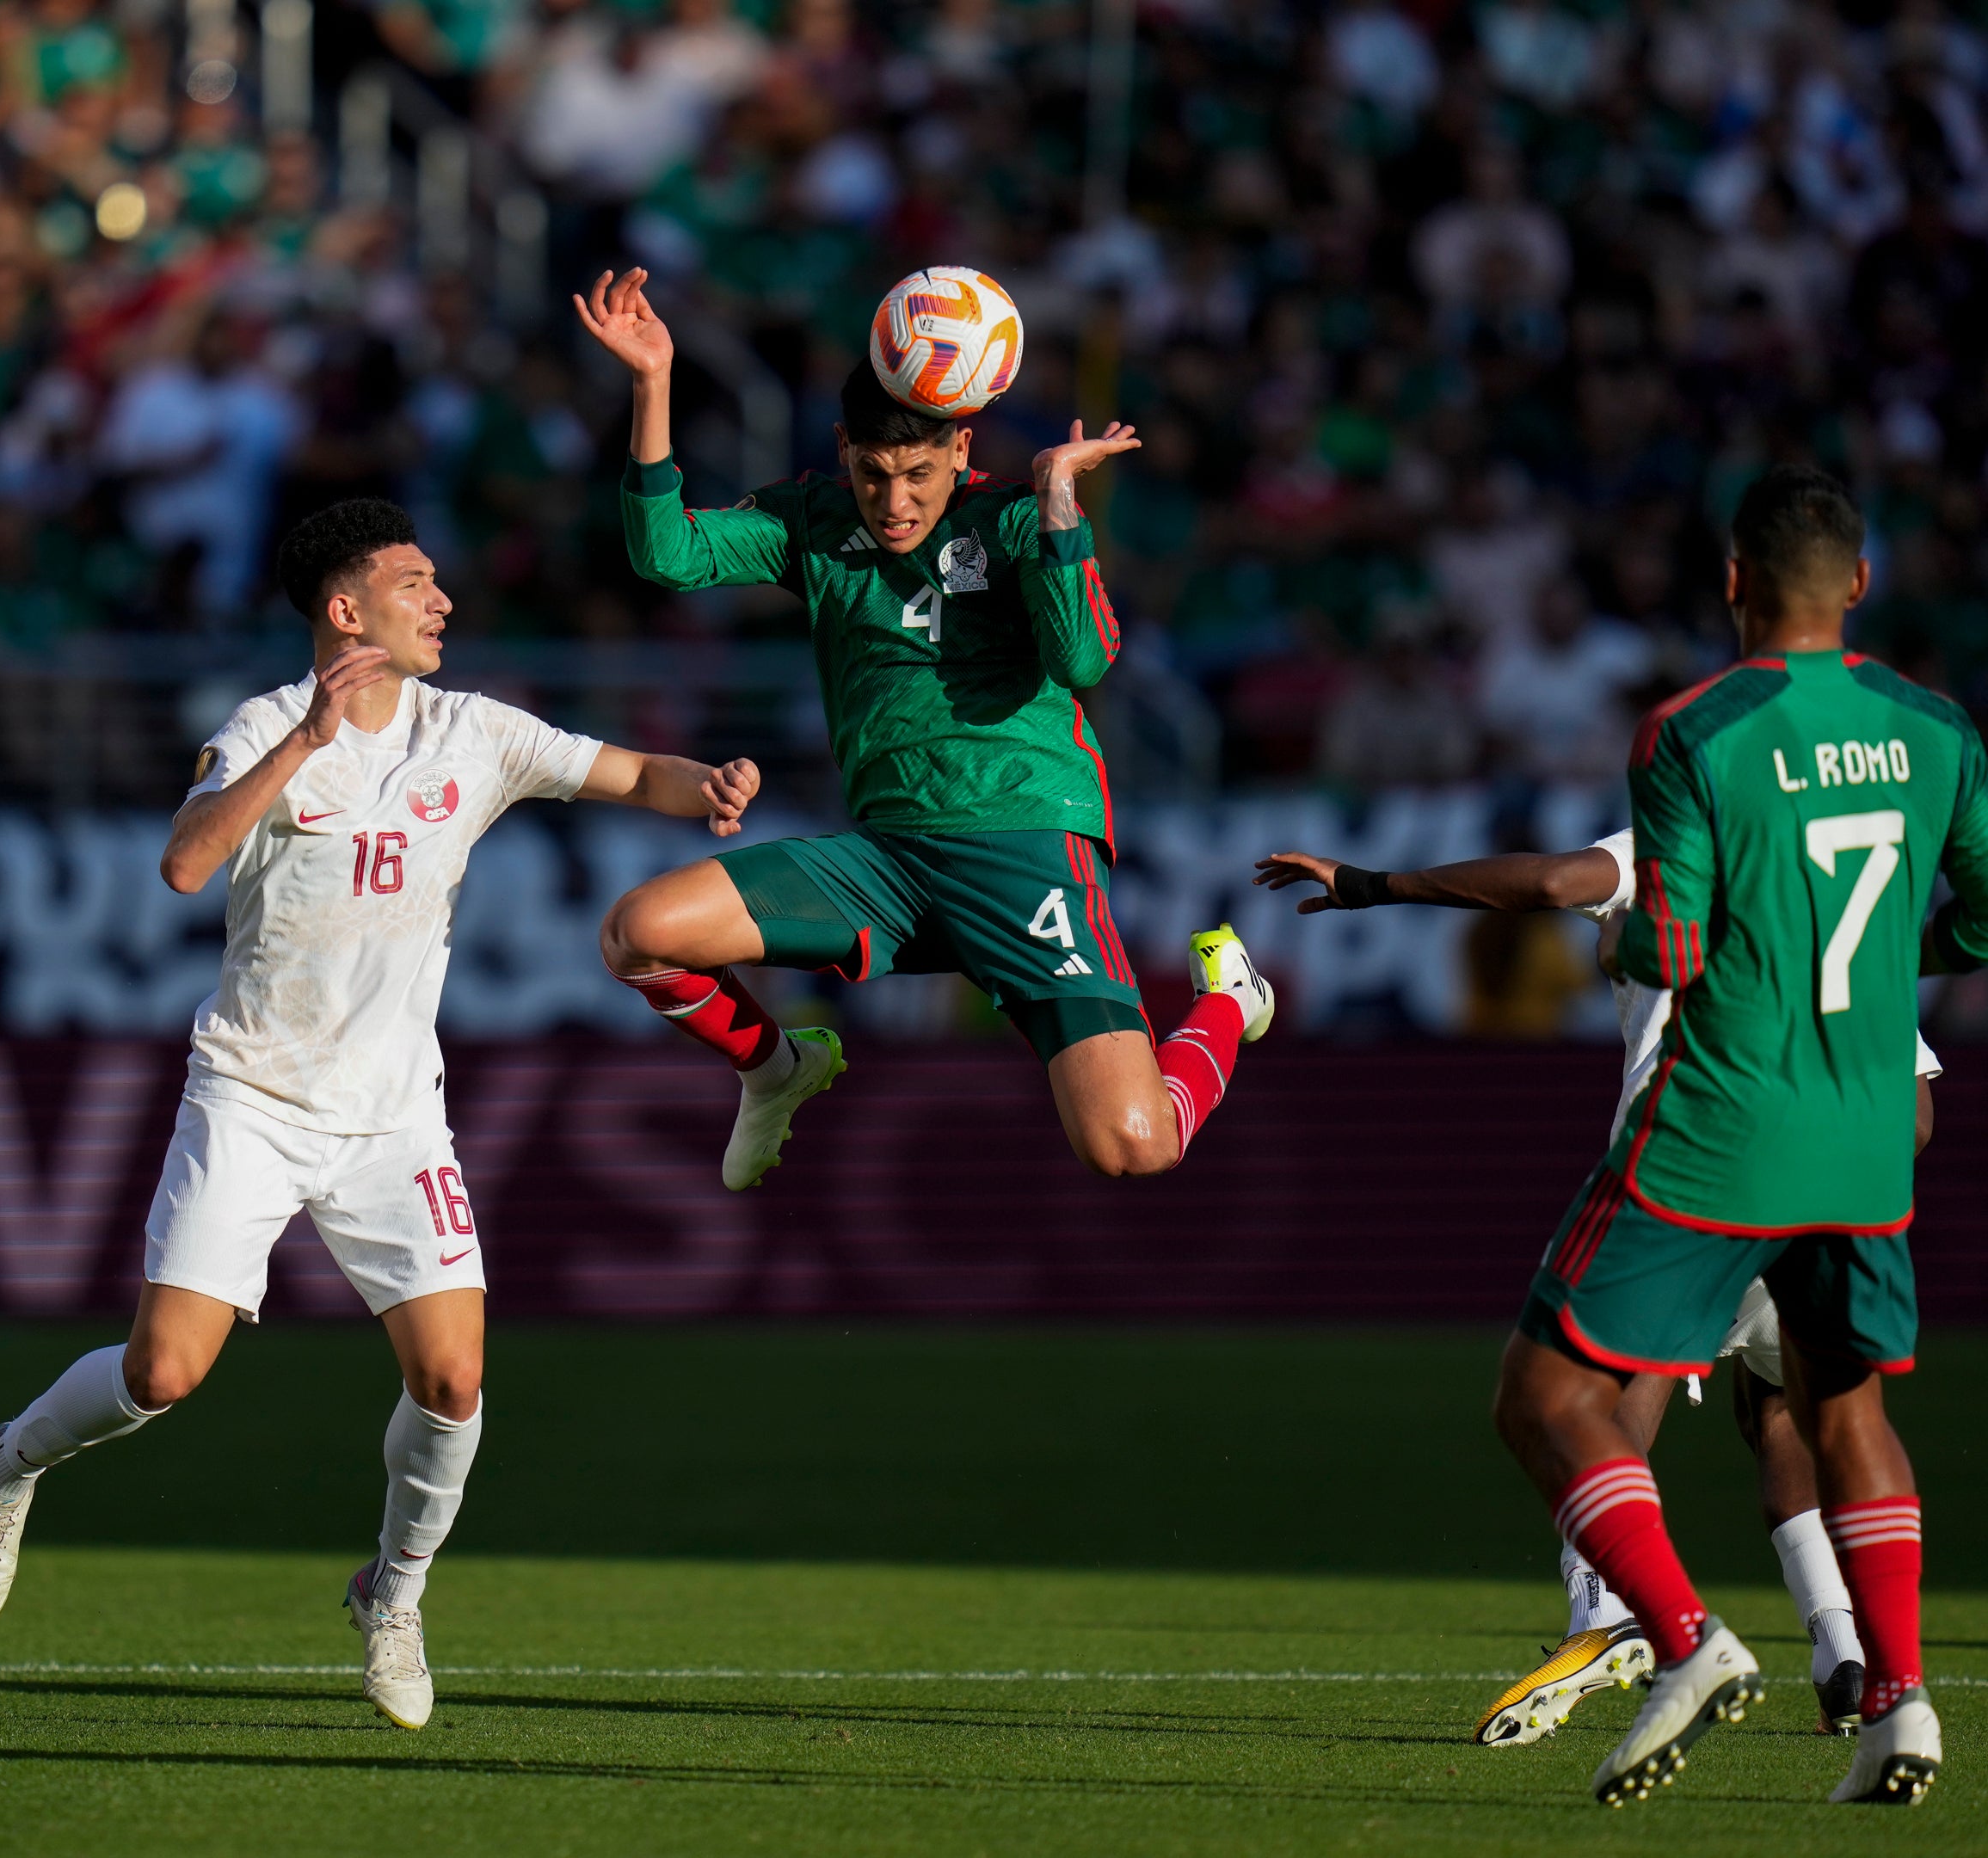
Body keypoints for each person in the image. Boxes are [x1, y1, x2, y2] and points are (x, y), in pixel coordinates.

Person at [0, 497, 766, 1732]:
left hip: (392, 1117)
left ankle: (395, 1594)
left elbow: (636, 772)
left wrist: (711, 786)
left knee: (454, 1376)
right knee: (162, 1373)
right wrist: (305, 743)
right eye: (415, 581)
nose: (443, 600)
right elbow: (184, 863)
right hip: (253, 1093)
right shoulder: (264, 726)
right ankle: (4, 1468)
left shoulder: (473, 731)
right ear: (346, 610)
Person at [1466, 464, 1986, 1806]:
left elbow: (1672, 945)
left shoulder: (1695, 731)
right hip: (1867, 1132)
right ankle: (1900, 1701)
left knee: (1547, 1395)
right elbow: (1982, 921)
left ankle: (1682, 1637)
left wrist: (1623, 945)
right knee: (1844, 1408)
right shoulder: (1938, 729)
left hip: (1726, 1124)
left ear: (1735, 580)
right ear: (1860, 582)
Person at [571, 268, 1272, 1190]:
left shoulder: (1014, 519)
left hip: (1023, 847)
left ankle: (1229, 1002)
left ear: (960, 448)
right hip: (888, 864)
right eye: (872, 474)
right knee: (639, 932)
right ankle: (778, 1069)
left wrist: (1059, 500)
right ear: (843, 452)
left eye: (917, 476)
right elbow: (666, 553)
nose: (894, 502)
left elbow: (1084, 663)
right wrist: (653, 383)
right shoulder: (812, 522)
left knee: (1132, 1147)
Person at [1253, 829, 1944, 1742]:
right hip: (1837, 1196)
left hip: (1695, 1172)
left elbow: (1548, 881)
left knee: (1587, 1396)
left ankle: (1605, 1612)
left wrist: (1370, 882)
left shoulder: (1685, 829)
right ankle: (1849, 1655)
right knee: (1788, 1410)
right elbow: (1918, 1118)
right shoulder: (1838, 895)